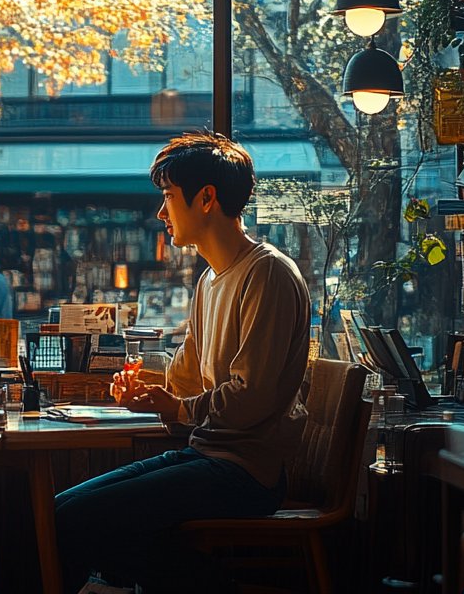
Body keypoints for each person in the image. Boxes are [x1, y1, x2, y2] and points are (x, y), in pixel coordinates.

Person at [54, 131, 311, 593]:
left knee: (78, 520)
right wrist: (144, 389)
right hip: (208, 453)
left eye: (169, 197)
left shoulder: (267, 273)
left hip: (247, 472)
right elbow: (187, 379)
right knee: (59, 510)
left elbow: (250, 397)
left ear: (207, 198)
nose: (161, 212)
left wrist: (174, 407)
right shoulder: (211, 280)